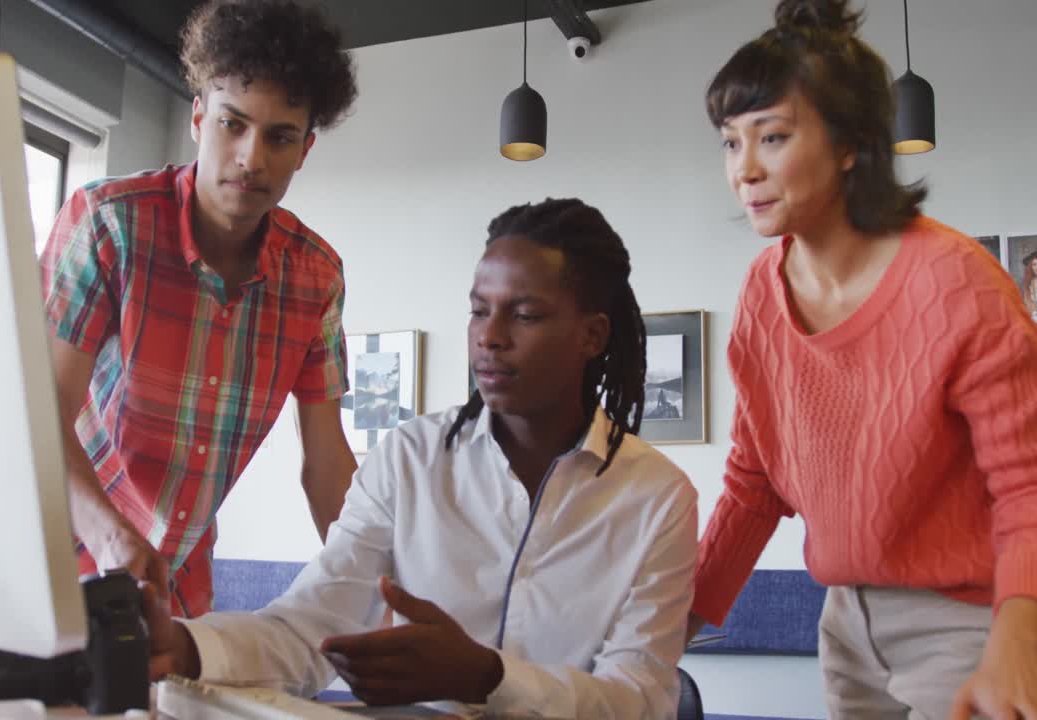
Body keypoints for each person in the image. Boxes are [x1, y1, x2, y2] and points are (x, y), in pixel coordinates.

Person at [688, 2, 1037, 719]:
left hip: (974, 621)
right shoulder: (761, 291)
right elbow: (754, 484)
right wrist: (672, 628)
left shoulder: (953, 280)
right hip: (846, 618)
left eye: (772, 137)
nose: (743, 170)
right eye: (729, 143)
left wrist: (1013, 646)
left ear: (851, 145)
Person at [142, 198, 698, 718]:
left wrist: (487, 676)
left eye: (524, 315)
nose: (490, 337)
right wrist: (187, 646)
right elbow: (311, 628)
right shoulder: (409, 460)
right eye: (479, 312)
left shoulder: (657, 497)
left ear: (592, 335)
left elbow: (640, 700)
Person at [40, 0, 359, 618]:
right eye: (232, 124)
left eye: (279, 137)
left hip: (178, 585)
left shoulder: (316, 277)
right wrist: (110, 538)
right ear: (197, 118)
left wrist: (377, 586)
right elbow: (41, 412)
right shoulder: (108, 225)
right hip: (57, 558)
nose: (251, 157)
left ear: (305, 149)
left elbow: (326, 462)